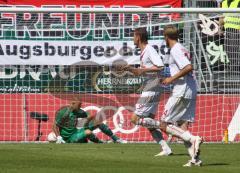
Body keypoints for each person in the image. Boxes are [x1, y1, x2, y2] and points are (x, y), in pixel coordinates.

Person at [126, 25, 203, 167]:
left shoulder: (173, 49)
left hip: (175, 89)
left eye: (163, 36)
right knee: (180, 124)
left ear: (166, 37)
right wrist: (138, 71)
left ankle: (193, 139)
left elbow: (180, 67)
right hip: (188, 88)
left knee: (150, 121)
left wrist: (169, 79)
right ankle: (194, 158)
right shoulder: (181, 48)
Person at [124, 27, 172, 156]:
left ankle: (167, 127)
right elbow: (148, 70)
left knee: (135, 119)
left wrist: (142, 71)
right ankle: (165, 148)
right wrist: (134, 70)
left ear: (138, 37)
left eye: (134, 36)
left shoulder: (149, 50)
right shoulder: (144, 51)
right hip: (151, 87)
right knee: (148, 122)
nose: (133, 39)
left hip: (152, 87)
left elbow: (160, 66)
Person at [220, 0, 240, 71]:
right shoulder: (224, 2)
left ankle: (235, 68)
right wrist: (220, 28)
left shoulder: (238, 1)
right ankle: (233, 67)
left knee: (234, 49)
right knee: (227, 49)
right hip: (227, 29)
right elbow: (222, 16)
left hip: (236, 29)